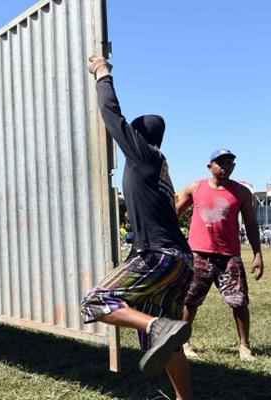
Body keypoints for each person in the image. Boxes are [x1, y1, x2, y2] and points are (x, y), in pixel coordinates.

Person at [81, 56, 194, 400]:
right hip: (181, 262)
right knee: (167, 340)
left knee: (95, 302)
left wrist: (102, 72)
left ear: (140, 135)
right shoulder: (159, 166)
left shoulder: (142, 154)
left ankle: (155, 326)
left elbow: (110, 113)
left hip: (157, 257)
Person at [176, 149, 264, 362]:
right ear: (210, 166)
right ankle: (184, 343)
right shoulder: (195, 188)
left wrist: (257, 254)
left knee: (239, 301)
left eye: (230, 163)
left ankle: (244, 346)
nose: (226, 167)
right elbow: (174, 214)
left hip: (229, 256)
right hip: (198, 255)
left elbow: (251, 224)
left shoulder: (242, 192)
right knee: (190, 301)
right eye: (221, 163)